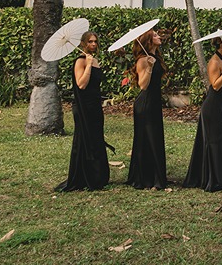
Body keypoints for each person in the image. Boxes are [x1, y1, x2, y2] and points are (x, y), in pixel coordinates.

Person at [184, 34, 222, 191]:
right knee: (213, 141)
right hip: (211, 107)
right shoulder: (214, 62)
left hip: (219, 107)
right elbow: (215, 85)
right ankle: (212, 178)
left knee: (218, 140)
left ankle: (220, 174)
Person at [56, 31, 114, 191]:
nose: (93, 44)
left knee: (96, 138)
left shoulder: (95, 60)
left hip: (95, 105)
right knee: (85, 139)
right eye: (90, 42)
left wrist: (92, 63)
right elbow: (81, 84)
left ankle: (98, 176)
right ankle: (84, 177)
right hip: (83, 106)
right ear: (83, 43)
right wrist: (88, 64)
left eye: (95, 41)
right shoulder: (80, 61)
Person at [127, 29, 168, 190]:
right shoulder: (143, 60)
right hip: (145, 103)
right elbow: (143, 85)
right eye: (155, 35)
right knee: (148, 139)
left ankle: (155, 175)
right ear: (149, 41)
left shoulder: (155, 57)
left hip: (154, 102)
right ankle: (147, 178)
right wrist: (149, 67)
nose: (159, 37)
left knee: (155, 138)